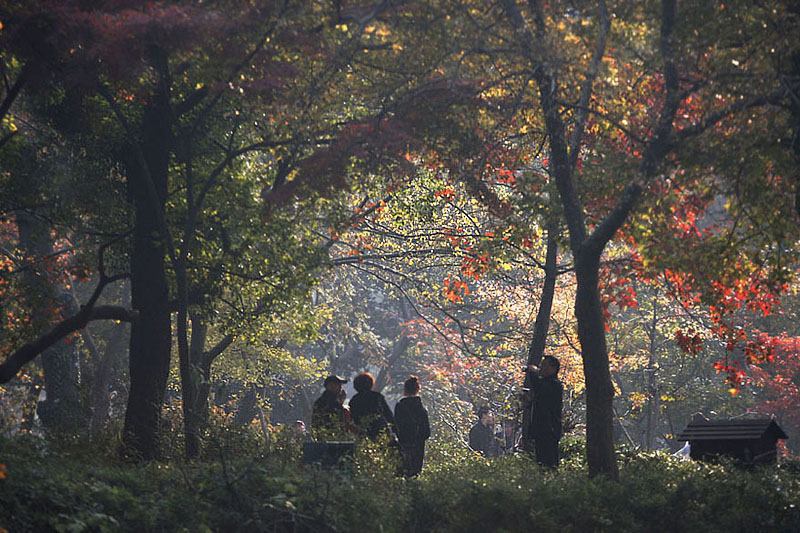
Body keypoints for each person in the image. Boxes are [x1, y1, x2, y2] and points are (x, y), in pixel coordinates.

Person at [524, 355, 563, 468]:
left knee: (549, 461)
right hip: (540, 429)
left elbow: (540, 388)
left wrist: (532, 372)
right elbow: (541, 403)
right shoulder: (545, 384)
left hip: (549, 429)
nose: (541, 368)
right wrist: (528, 401)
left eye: (545, 365)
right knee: (540, 461)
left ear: (553, 368)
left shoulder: (554, 384)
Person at [394, 375, 431, 477]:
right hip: (418, 446)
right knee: (415, 474)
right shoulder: (422, 409)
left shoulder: (400, 407)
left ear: (405, 390)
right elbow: (427, 432)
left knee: (402, 472)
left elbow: (395, 426)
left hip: (403, 444)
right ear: (418, 390)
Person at [348, 372, 395, 441]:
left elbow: (353, 418)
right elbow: (388, 415)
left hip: (363, 431)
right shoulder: (377, 397)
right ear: (371, 384)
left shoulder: (354, 400)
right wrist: (394, 430)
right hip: (380, 430)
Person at [311, 374, 349, 440]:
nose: (340, 388)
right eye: (338, 385)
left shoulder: (319, 401)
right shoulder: (333, 402)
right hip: (334, 438)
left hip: (322, 437)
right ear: (330, 386)